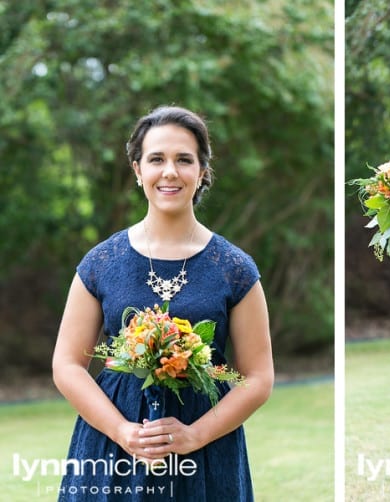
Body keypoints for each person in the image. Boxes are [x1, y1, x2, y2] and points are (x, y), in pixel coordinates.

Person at [52, 106, 274, 501]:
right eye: (156, 159)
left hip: (205, 453)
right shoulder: (101, 262)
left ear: (202, 171)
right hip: (112, 446)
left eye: (184, 160)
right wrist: (123, 432)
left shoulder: (235, 268)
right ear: (138, 170)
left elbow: (257, 378)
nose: (170, 171)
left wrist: (194, 435)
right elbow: (67, 364)